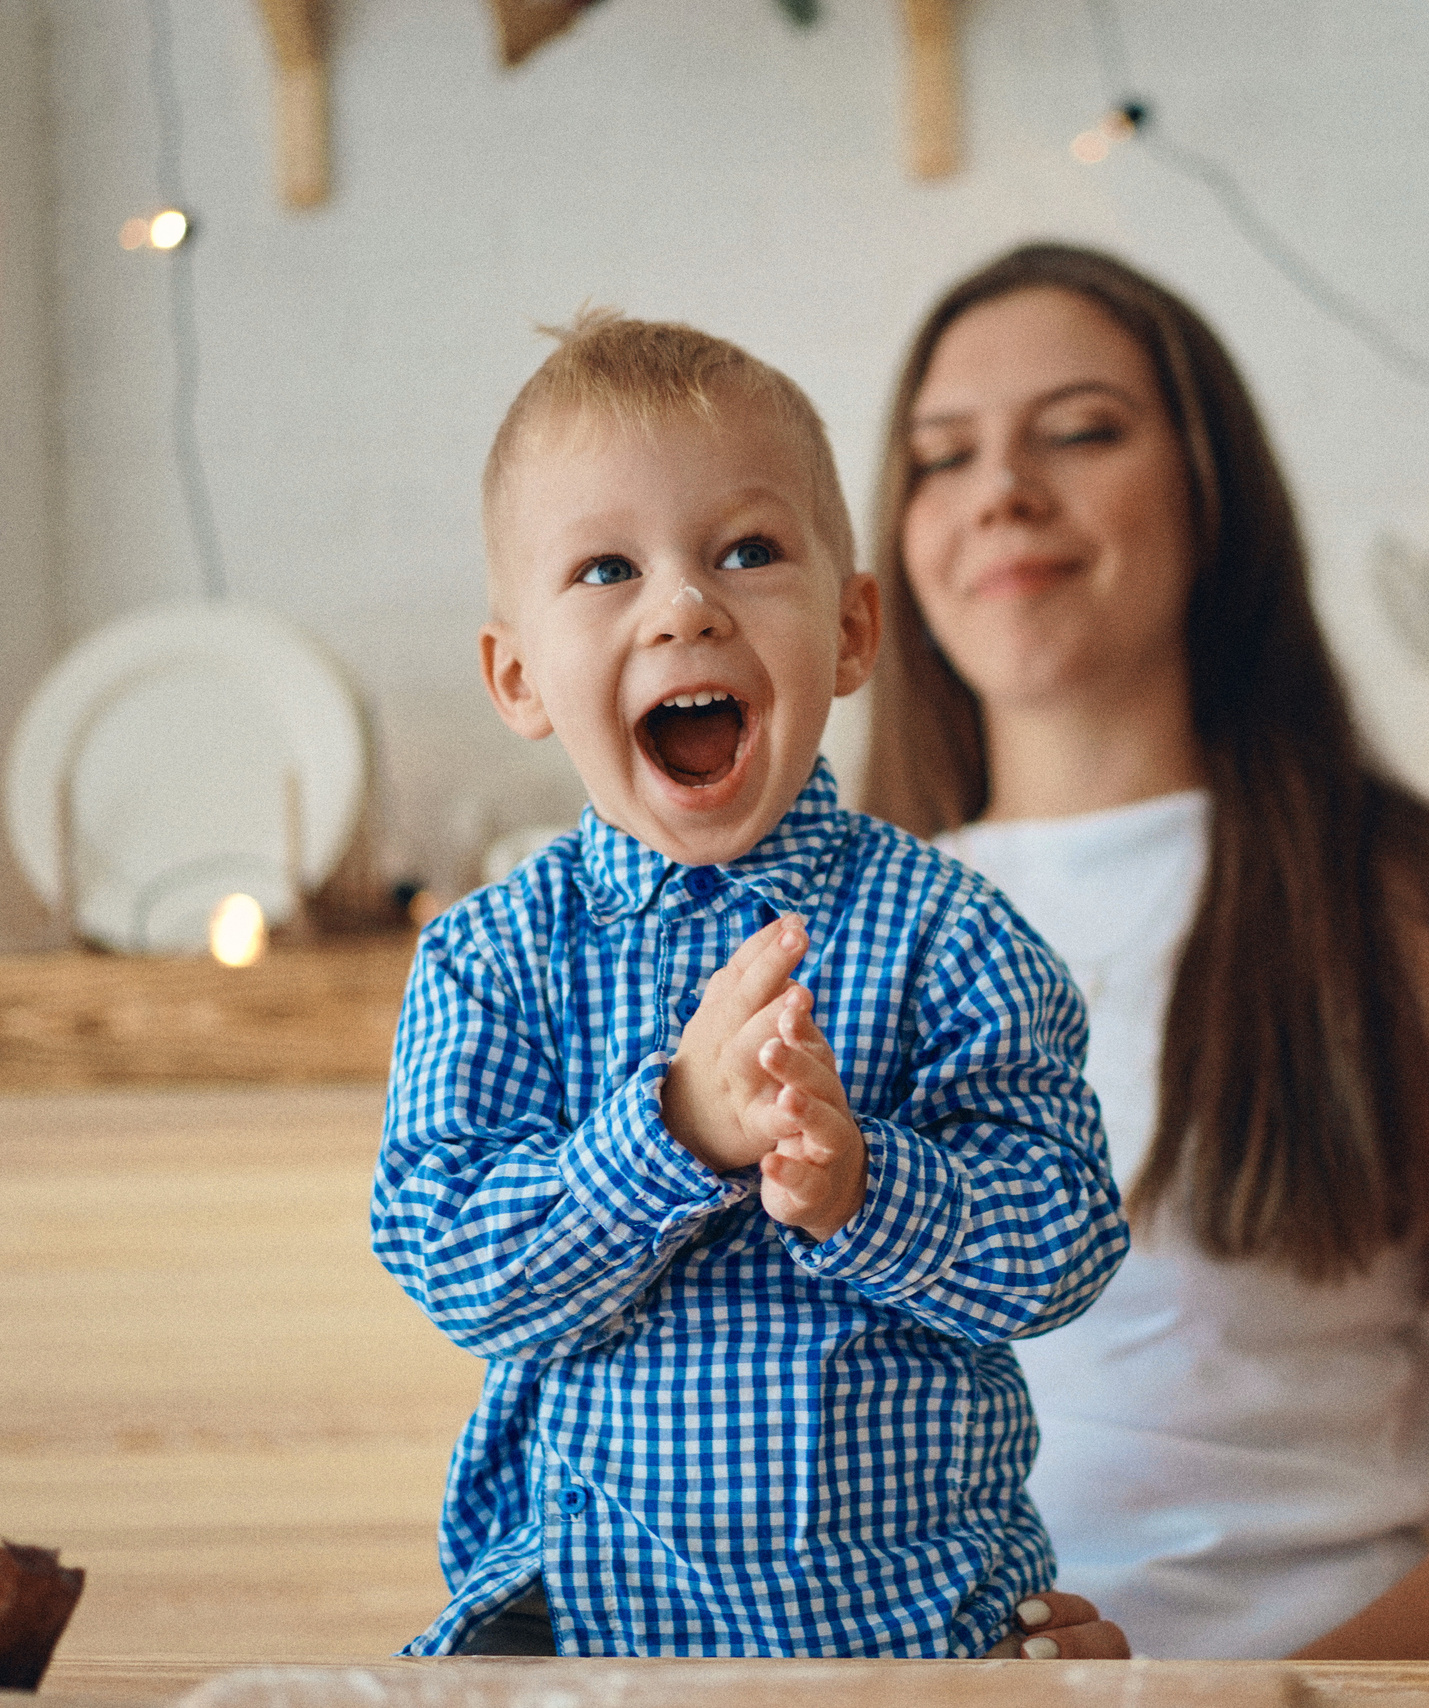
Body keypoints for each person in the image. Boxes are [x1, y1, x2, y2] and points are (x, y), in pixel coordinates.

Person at [860, 243, 1429, 1660]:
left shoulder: (1387, 895)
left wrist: (1263, 1707)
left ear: (1213, 495)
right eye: (941, 458)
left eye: (1080, 431)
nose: (1001, 489)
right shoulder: (817, 937)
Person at [372, 310, 1129, 1658]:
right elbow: (452, 1263)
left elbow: (1065, 1241)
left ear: (848, 633)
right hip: (594, 1639)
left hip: (917, 1638)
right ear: (518, 674)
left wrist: (868, 1187)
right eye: (607, 569)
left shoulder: (955, 936)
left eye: (748, 551)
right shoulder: (491, 961)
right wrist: (670, 1131)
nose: (684, 606)